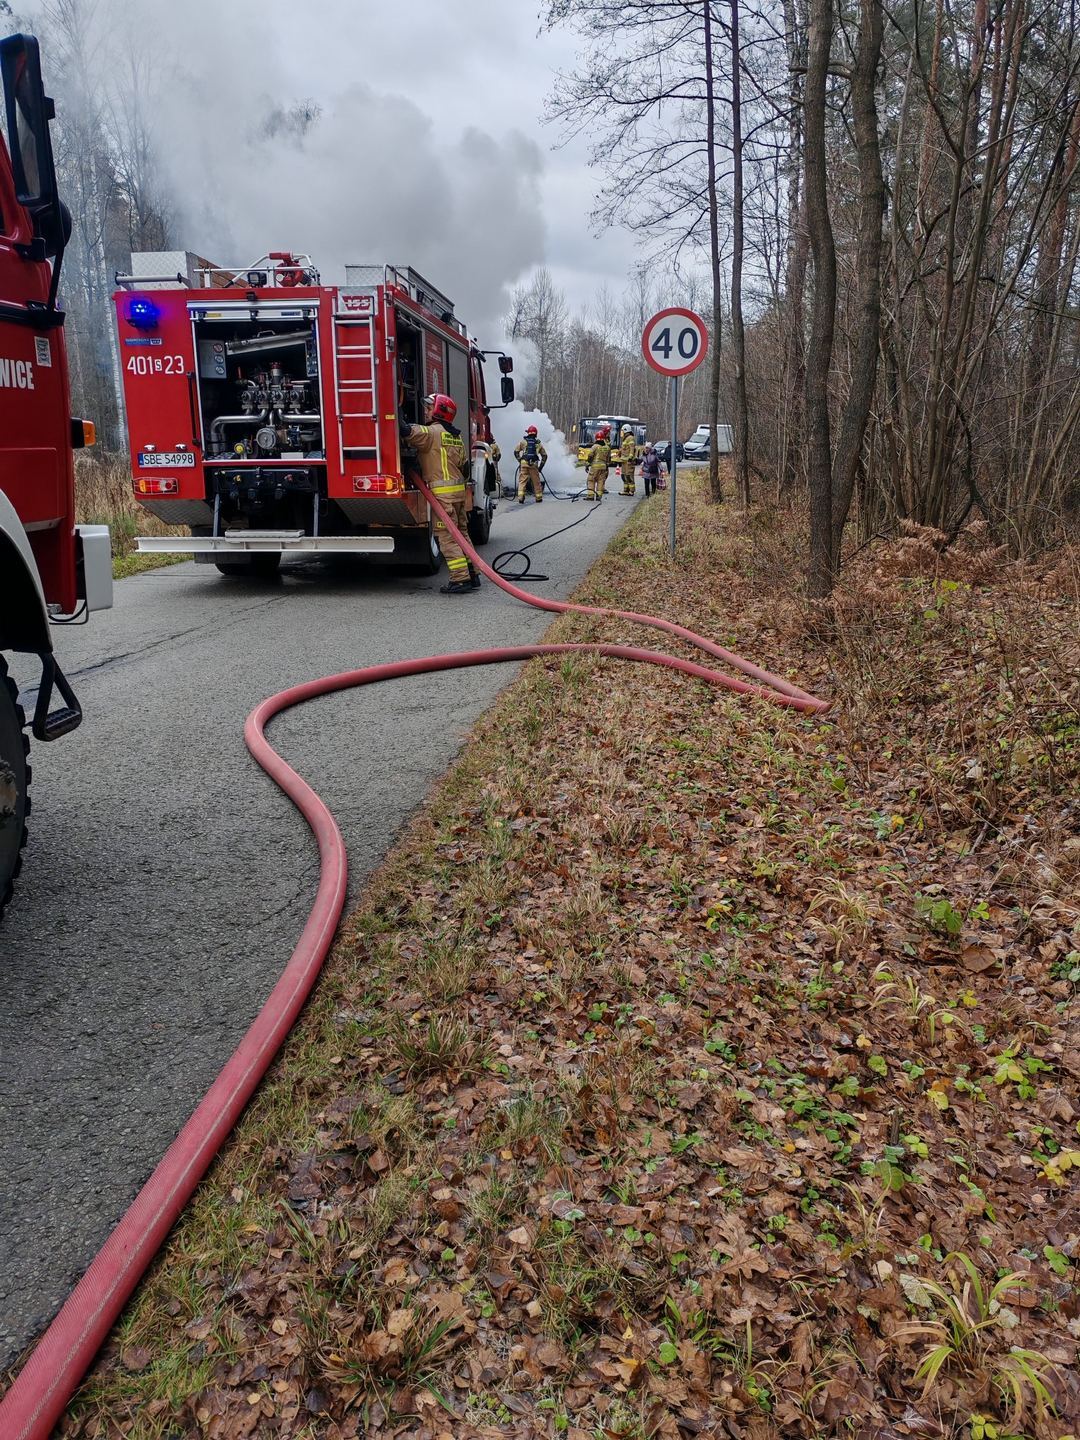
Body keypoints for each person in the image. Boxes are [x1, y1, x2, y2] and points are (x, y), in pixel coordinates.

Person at [400, 392, 479, 595]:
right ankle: (473, 572)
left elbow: (405, 431)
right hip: (459, 495)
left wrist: (394, 408)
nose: (425, 412)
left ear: (438, 412)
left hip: (443, 498)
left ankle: (461, 579)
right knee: (462, 533)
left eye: (428, 408)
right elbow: (463, 466)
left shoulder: (431, 433)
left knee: (446, 537)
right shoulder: (456, 436)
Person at [514, 425, 547, 503]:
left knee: (522, 481)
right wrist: (540, 467)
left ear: (528, 433)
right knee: (536, 482)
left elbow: (516, 452)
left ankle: (521, 497)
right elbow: (544, 456)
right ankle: (538, 498)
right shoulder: (538, 444)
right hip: (534, 464)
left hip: (524, 464)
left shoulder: (523, 442)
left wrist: (520, 460)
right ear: (536, 434)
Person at [584, 424, 612, 501]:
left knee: (591, 480)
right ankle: (599, 496)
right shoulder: (607, 447)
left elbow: (590, 456)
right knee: (600, 481)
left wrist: (587, 464)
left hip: (595, 467)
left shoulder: (595, 446)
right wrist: (607, 465)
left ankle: (590, 496)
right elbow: (609, 458)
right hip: (603, 467)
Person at [618, 424, 637, 495]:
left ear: (626, 430)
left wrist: (630, 457)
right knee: (624, 476)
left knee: (629, 476)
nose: (621, 432)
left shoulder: (630, 438)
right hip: (624, 461)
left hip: (629, 461)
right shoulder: (625, 439)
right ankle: (625, 490)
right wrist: (619, 453)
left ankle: (631, 491)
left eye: (622, 431)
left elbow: (632, 448)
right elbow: (624, 448)